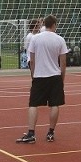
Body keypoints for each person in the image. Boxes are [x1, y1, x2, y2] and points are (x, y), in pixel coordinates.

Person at [16, 15, 68, 144]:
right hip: (54, 76)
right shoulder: (60, 40)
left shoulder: (35, 39)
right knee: (54, 104)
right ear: (54, 24)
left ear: (44, 24)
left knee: (33, 104)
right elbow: (63, 62)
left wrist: (33, 75)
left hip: (39, 76)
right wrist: (62, 78)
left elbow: (31, 60)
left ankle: (31, 133)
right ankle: (50, 132)